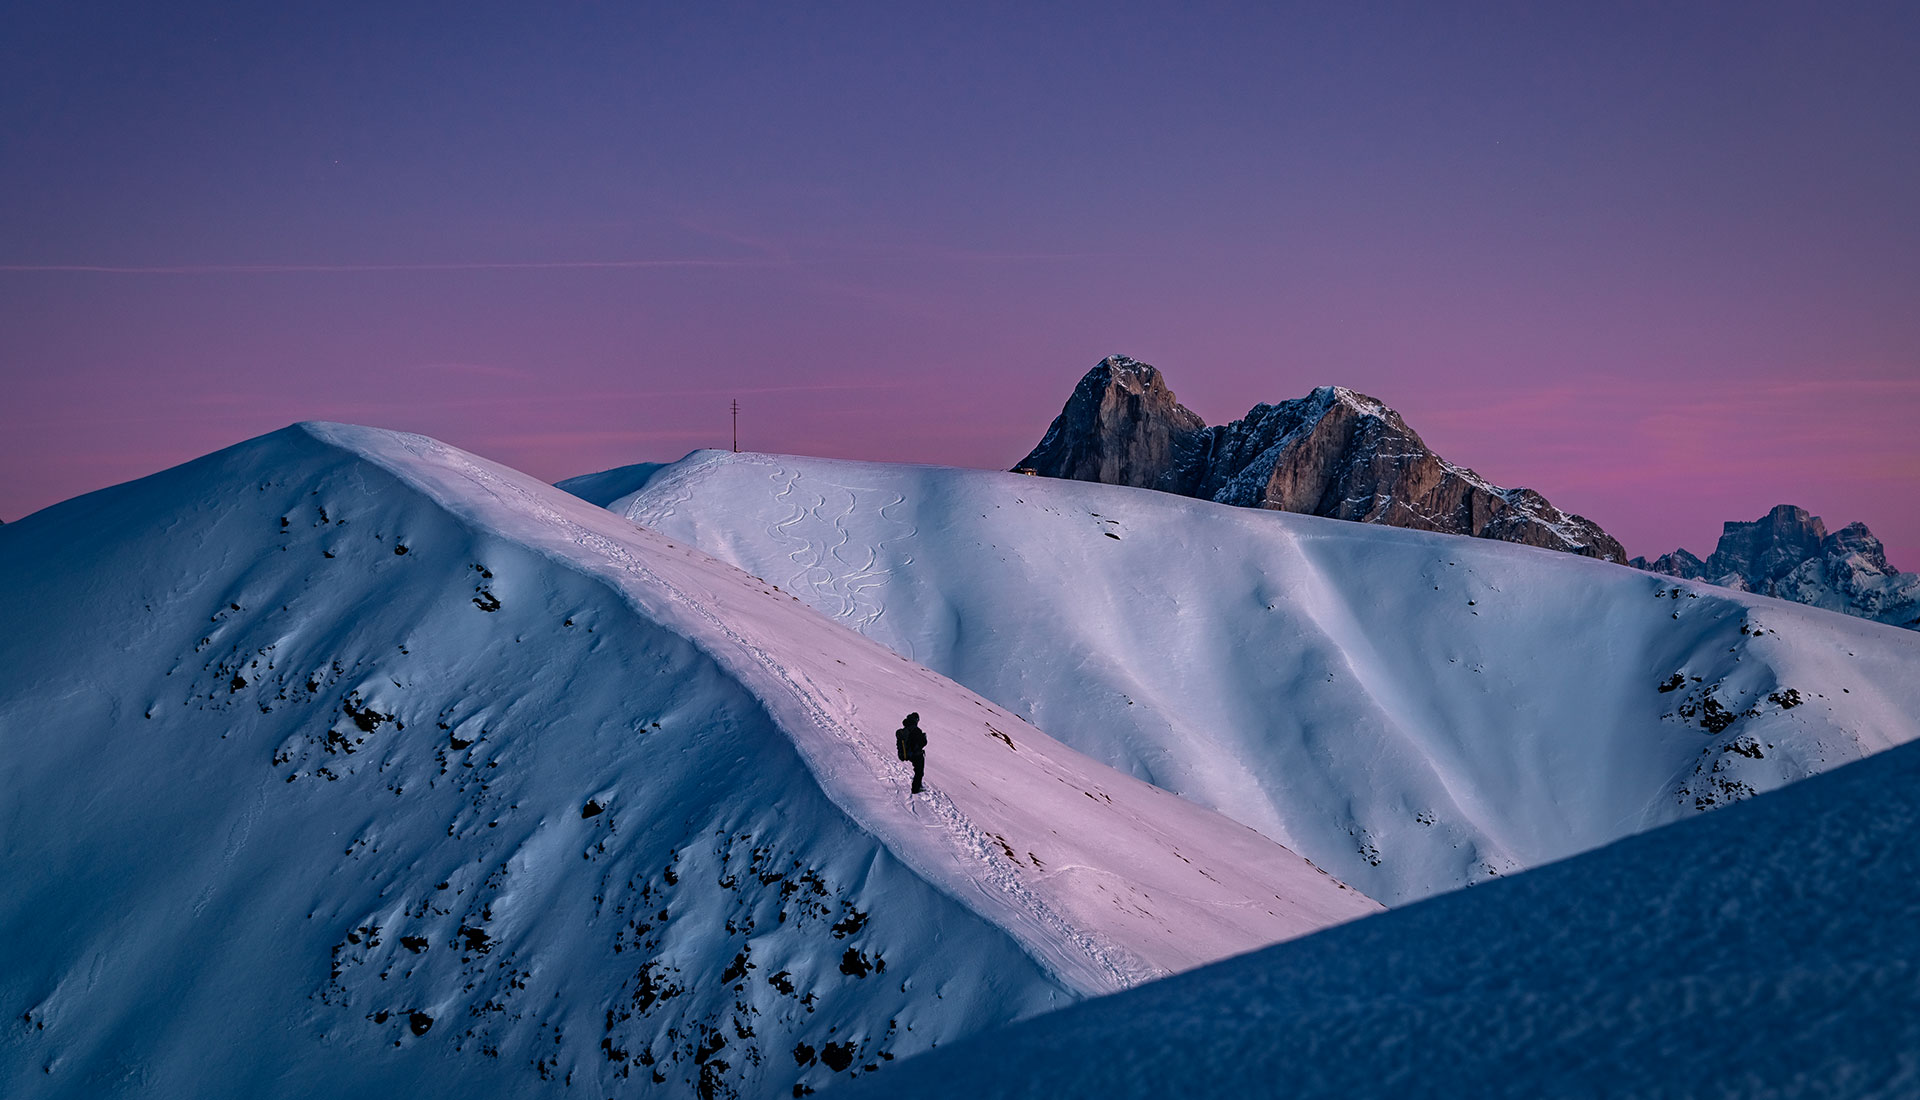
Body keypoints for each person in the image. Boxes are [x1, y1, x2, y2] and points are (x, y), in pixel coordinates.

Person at [895, 712, 928, 794]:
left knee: (918, 771)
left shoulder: (905, 730)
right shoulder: (916, 730)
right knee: (919, 771)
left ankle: (917, 787)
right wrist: (924, 737)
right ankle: (916, 789)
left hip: (908, 754)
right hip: (916, 754)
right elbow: (922, 743)